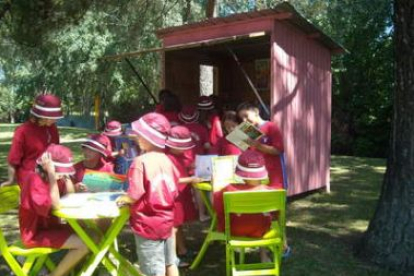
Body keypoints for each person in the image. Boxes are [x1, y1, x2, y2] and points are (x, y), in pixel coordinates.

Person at [116, 113, 180, 276]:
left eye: (139, 135)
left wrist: (124, 198)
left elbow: (135, 193)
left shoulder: (140, 162)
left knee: (153, 269)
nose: (136, 138)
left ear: (148, 137)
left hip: (147, 224)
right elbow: (175, 187)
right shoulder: (168, 160)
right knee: (170, 263)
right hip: (167, 221)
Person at [19, 144, 89, 276]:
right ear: (46, 167)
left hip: (51, 228)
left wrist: (67, 177)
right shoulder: (33, 179)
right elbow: (56, 205)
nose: (62, 174)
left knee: (91, 234)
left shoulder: (56, 180)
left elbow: (70, 196)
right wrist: (52, 174)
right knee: (84, 244)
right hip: (35, 234)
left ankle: (71, 270)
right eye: (60, 171)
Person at [1, 94, 63, 187]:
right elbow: (13, 159)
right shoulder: (23, 131)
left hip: (49, 173)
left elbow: (56, 151)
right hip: (30, 176)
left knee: (66, 186)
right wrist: (11, 180)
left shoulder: (52, 128)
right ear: (42, 116)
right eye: (53, 117)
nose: (56, 119)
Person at [165, 126, 200, 267]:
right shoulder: (167, 157)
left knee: (178, 224)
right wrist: (191, 179)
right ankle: (171, 258)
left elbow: (183, 168)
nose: (185, 150)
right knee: (173, 226)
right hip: (173, 195)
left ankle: (182, 249)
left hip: (181, 194)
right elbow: (171, 179)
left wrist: (192, 167)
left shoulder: (178, 155)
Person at [237, 102, 284, 189]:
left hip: (272, 172)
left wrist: (258, 146)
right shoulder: (248, 129)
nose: (244, 120)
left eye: (246, 116)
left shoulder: (271, 126)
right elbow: (245, 151)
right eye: (241, 118)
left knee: (273, 198)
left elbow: (278, 150)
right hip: (254, 174)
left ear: (256, 112)